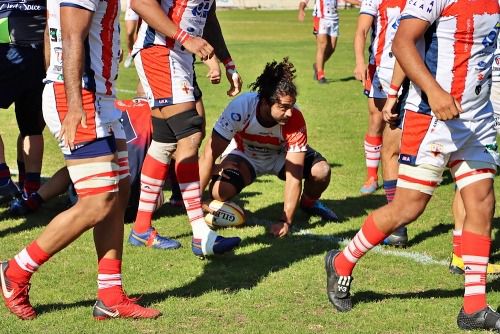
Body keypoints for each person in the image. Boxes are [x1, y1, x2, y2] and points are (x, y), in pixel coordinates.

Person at [324, 0, 500, 331]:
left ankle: (473, 308)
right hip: (432, 118)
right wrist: (432, 92)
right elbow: (402, 42)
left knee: (482, 201)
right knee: (408, 208)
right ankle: (342, 261)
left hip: (477, 119)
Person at [0, 0, 160, 320]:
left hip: (100, 97)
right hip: (81, 98)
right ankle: (14, 272)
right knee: (98, 201)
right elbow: (72, 34)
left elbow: (51, 30)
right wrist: (72, 102)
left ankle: (110, 295)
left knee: (120, 192)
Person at [129, 0, 242, 257]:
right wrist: (185, 38)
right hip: (158, 51)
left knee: (165, 141)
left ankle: (141, 228)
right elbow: (140, 3)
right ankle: (201, 234)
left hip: (178, 56)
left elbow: (207, 17)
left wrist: (227, 61)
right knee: (190, 134)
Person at [199, 58, 338, 239]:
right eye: (283, 107)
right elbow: (209, 153)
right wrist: (196, 204)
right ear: (265, 102)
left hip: (281, 155)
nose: (289, 112)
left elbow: (294, 176)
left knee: (322, 171)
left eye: (291, 106)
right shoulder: (241, 108)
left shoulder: (294, 118)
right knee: (219, 192)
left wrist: (285, 221)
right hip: (246, 154)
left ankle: (309, 203)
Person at [353, 0, 408, 245]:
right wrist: (359, 62)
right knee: (377, 123)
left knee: (397, 141)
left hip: (411, 70)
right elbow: (362, 30)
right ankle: (371, 177)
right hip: (380, 71)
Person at [0, 0, 46, 202]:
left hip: (9, 51)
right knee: (31, 128)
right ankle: (30, 189)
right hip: (39, 58)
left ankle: (3, 179)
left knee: (31, 128)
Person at [298, 0, 360, 84]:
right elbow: (304, 1)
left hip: (334, 19)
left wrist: (360, 3)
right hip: (321, 18)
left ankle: (317, 66)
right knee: (323, 45)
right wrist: (301, 9)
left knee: (332, 48)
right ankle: (320, 75)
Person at [123, 0, 140, 68]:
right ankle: (130, 53)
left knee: (138, 34)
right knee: (129, 33)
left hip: (144, 5)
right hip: (131, 6)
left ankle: (137, 56)